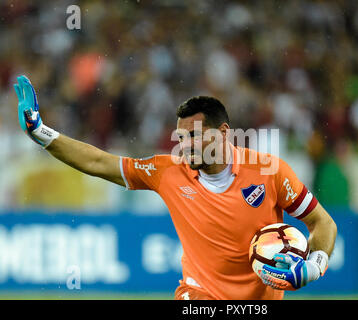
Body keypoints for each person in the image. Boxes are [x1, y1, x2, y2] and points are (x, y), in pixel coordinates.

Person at [14, 75, 337, 300]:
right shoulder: (167, 172)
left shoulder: (269, 171)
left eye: (195, 136)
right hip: (196, 294)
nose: (185, 146)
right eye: (181, 138)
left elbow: (322, 222)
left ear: (223, 133)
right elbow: (100, 163)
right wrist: (40, 132)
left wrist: (315, 265)